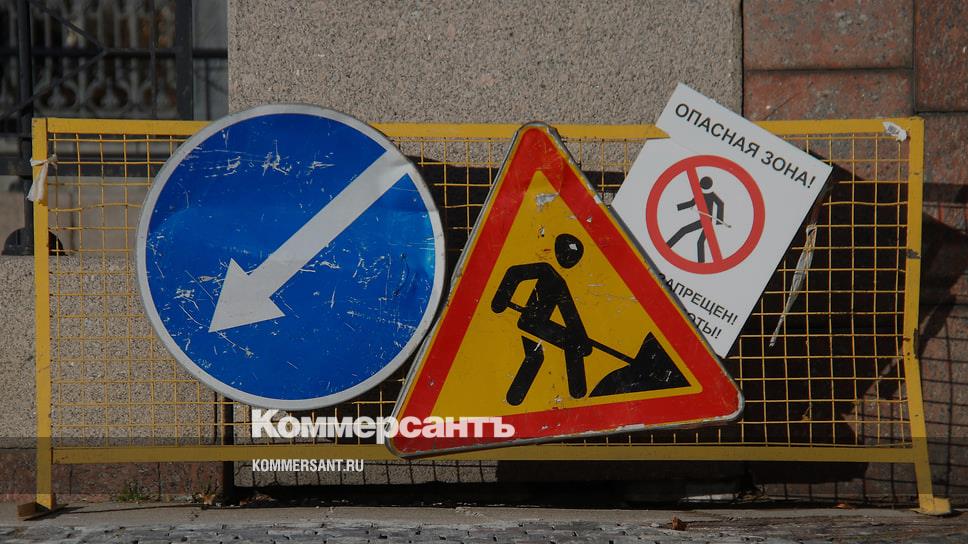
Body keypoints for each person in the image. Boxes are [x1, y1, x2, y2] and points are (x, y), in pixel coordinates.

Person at [491, 233, 592, 406]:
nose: (570, 261)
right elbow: (514, 273)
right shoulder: (546, 270)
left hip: (538, 324)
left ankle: (577, 392)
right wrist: (499, 301)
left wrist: (582, 339)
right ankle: (576, 391)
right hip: (531, 321)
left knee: (550, 351)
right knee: (547, 352)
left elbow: (569, 313)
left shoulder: (559, 281)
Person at [665, 176, 724, 263]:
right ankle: (667, 247)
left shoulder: (711, 195)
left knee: (696, 239)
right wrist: (677, 207)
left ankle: (667, 246)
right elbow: (691, 203)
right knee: (693, 237)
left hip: (707, 222)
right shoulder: (700, 195)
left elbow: (720, 204)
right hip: (703, 221)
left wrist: (719, 221)